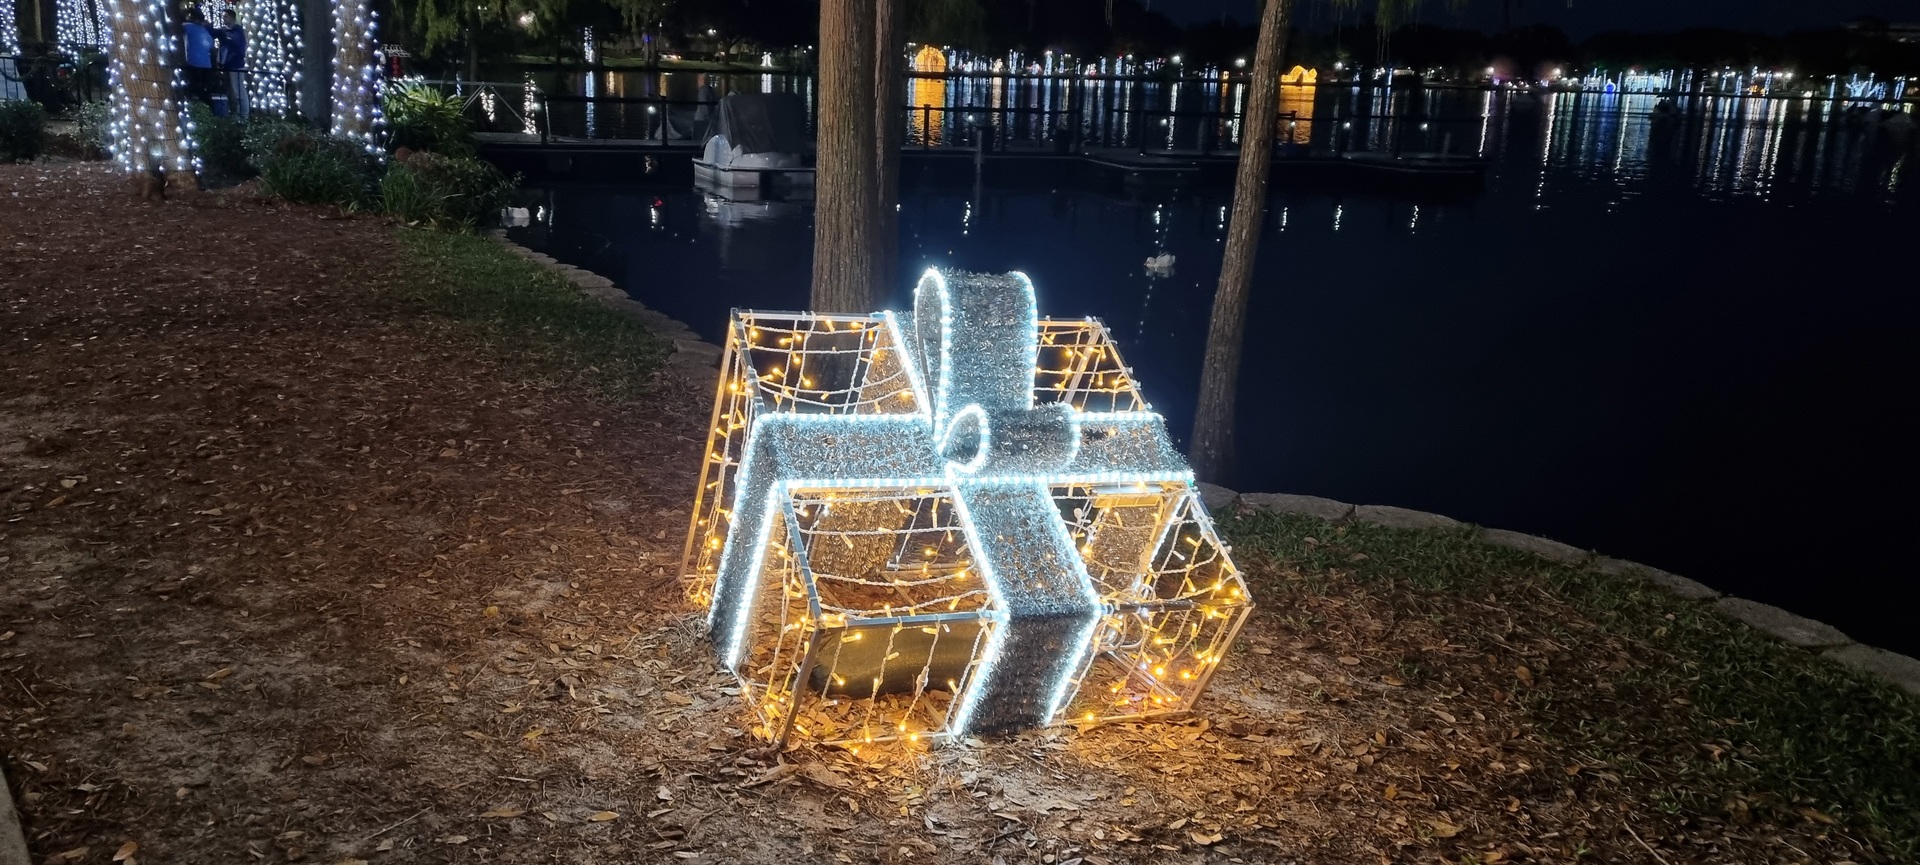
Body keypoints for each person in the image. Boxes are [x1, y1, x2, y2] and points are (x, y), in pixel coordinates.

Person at [213, 8, 249, 118]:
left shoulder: (237, 32)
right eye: (223, 16)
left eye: (226, 16)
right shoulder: (224, 31)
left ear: (232, 18)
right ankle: (235, 113)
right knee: (231, 91)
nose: (223, 18)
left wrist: (230, 60)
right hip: (226, 66)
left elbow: (239, 49)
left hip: (235, 66)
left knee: (238, 91)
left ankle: (243, 115)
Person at [182, 8, 218, 108]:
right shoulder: (205, 32)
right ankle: (209, 109)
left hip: (194, 64)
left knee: (194, 89)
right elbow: (211, 48)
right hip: (206, 65)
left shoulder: (188, 27)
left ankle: (199, 109)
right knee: (205, 90)